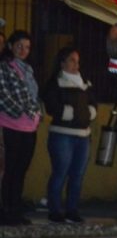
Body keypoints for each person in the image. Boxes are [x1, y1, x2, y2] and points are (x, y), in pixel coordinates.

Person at [43, 47, 97, 223]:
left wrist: (90, 113)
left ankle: (72, 210)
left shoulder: (85, 82)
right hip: (62, 135)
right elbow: (52, 105)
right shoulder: (56, 82)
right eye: (72, 60)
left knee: (78, 174)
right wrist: (70, 114)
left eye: (77, 61)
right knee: (60, 172)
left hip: (83, 135)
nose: (76, 64)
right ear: (62, 63)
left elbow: (93, 102)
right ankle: (55, 209)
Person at [0, 30, 42, 226]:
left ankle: (15, 209)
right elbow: (4, 96)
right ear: (11, 46)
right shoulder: (5, 67)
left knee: (20, 171)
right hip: (11, 125)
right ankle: (6, 210)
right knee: (9, 170)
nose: (23, 50)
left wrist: (36, 113)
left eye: (27, 47)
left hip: (29, 128)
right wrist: (22, 111)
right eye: (19, 46)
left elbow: (34, 97)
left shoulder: (28, 69)